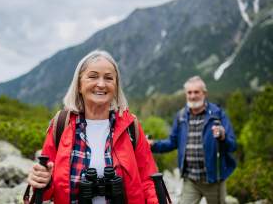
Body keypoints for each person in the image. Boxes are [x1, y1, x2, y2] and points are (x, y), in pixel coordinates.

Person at [27, 50, 159, 204]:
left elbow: (149, 181)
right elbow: (44, 192)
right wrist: (42, 181)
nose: (101, 84)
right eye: (93, 76)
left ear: (116, 87)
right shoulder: (62, 124)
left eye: (109, 78)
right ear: (79, 85)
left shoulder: (130, 126)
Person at [149, 76, 237, 204]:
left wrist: (223, 137)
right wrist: (153, 145)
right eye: (189, 92)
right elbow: (172, 142)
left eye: (196, 92)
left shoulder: (217, 114)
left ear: (204, 93)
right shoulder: (181, 116)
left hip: (214, 180)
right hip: (191, 180)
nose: (193, 96)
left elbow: (233, 145)